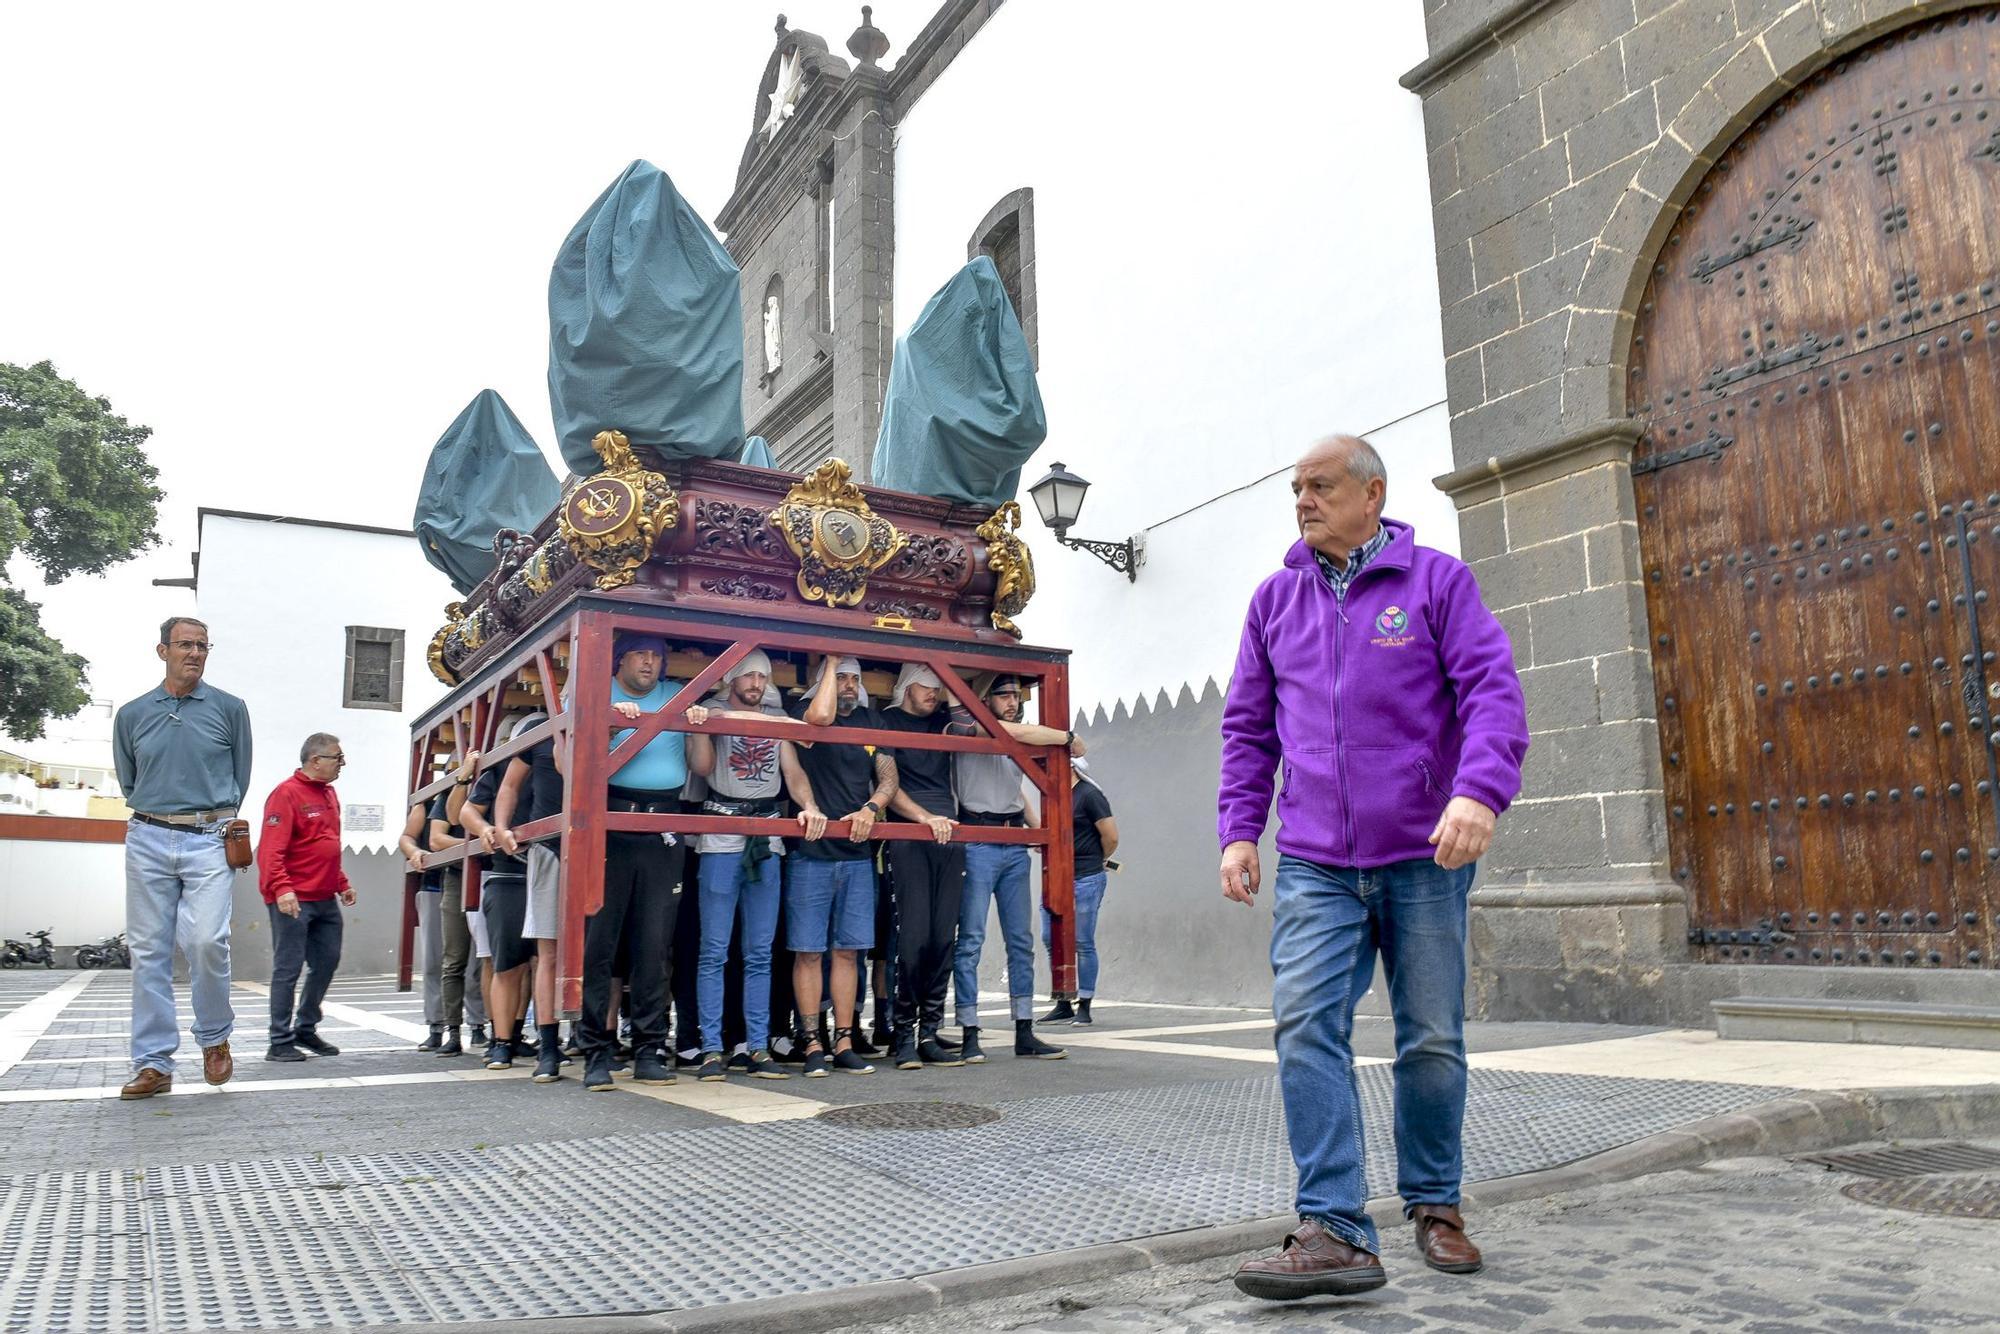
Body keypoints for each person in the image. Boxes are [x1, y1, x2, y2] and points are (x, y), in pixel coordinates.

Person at [1219, 434, 1528, 1300]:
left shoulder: (1437, 583)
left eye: (1320, 486)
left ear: (1372, 495)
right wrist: (1241, 831)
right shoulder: (1275, 601)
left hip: (1425, 855)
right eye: (1296, 489)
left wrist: (1479, 791)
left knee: (1430, 1037)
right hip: (1316, 861)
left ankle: (1435, 1203)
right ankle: (1336, 1229)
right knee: (1304, 1024)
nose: (1303, 501)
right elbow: (1249, 729)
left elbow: (1493, 690)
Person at [113, 616, 252, 1100]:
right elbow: (129, 782)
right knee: (148, 952)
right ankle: (154, 1064)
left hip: (209, 836)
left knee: (207, 940)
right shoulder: (131, 714)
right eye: (185, 645)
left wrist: (214, 816)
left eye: (202, 646)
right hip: (147, 836)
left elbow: (241, 777)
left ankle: (215, 1038)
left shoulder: (230, 709)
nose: (194, 653)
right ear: (162, 651)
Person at [684, 649, 827, 1081]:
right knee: (713, 950)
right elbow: (704, 767)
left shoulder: (777, 718)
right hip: (722, 833)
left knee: (759, 952)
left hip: (765, 835)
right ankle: (712, 1046)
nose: (755, 683)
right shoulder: (711, 709)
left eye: (761, 677)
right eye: (747, 676)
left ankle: (758, 1046)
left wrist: (809, 805)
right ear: (730, 679)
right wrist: (700, 732)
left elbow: (793, 769)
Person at [571, 631, 691, 1091]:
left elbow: (699, 765)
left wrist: (695, 722)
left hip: (664, 823)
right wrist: (608, 726)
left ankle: (649, 1048)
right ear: (619, 660)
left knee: (654, 945)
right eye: (640, 654)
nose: (649, 663)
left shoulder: (678, 696)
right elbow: (569, 764)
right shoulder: (598, 690)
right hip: (611, 819)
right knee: (600, 944)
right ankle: (595, 1052)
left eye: (657, 656)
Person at [950, 673, 1078, 1061]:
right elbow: (1023, 733)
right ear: (985, 699)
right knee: (971, 939)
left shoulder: (1017, 738)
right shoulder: (971, 728)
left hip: (1012, 843)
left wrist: (1035, 827)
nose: (1012, 701)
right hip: (977, 839)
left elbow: (1016, 788)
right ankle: (969, 1030)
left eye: (1016, 695)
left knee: (1020, 941)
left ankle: (1024, 1028)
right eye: (1003, 695)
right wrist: (1067, 739)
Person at [785, 655, 897, 1076]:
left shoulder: (873, 720)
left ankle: (844, 1038)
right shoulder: (803, 710)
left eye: (855, 678)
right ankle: (812, 1040)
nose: (850, 685)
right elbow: (821, 715)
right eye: (841, 678)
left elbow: (888, 777)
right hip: (811, 853)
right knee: (808, 952)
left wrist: (871, 808)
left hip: (856, 854)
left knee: (849, 951)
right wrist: (829, 665)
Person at [877, 664, 977, 1070]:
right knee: (912, 938)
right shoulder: (887, 720)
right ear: (905, 686)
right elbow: (888, 785)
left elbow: (970, 732)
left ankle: (929, 1031)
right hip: (909, 835)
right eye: (927, 685)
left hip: (948, 833)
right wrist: (922, 819)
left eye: (940, 686)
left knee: (943, 938)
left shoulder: (943, 722)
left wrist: (953, 687)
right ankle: (902, 1034)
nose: (933, 692)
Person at [257, 733, 358, 1062]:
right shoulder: (286, 794)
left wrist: (341, 882)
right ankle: (280, 1040)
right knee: (287, 968)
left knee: (327, 961)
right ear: (316, 760)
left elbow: (327, 843)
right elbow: (271, 850)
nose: (341, 764)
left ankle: (306, 1028)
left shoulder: (330, 794)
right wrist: (282, 888)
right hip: (293, 898)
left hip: (325, 896)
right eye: (337, 758)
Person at [489, 709, 570, 1082]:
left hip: (603, 842)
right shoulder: (540, 729)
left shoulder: (612, 718)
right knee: (547, 950)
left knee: (599, 950)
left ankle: (595, 1041)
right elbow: (509, 785)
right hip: (549, 846)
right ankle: (548, 1047)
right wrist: (502, 827)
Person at [454, 718, 539, 1070]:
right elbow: (466, 812)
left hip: (550, 866)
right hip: (509, 870)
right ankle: (501, 1041)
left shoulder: (563, 759)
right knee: (508, 963)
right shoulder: (503, 765)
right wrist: (488, 828)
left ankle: (522, 1035)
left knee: (541, 963)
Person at [411, 779, 487, 1055]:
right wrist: (482, 841)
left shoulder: (492, 783)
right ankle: (446, 1029)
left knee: (484, 961)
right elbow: (435, 838)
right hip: (453, 877)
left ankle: (482, 1027)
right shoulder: (446, 795)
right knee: (450, 960)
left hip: (487, 874)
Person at [1043, 758, 1117, 1027]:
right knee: (1051, 938)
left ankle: (1084, 1003)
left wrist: (1099, 859)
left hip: (1086, 876)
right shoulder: (1051, 795)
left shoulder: (1089, 795)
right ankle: (1063, 1002)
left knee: (1083, 941)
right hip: (1055, 877)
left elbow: (1111, 836)